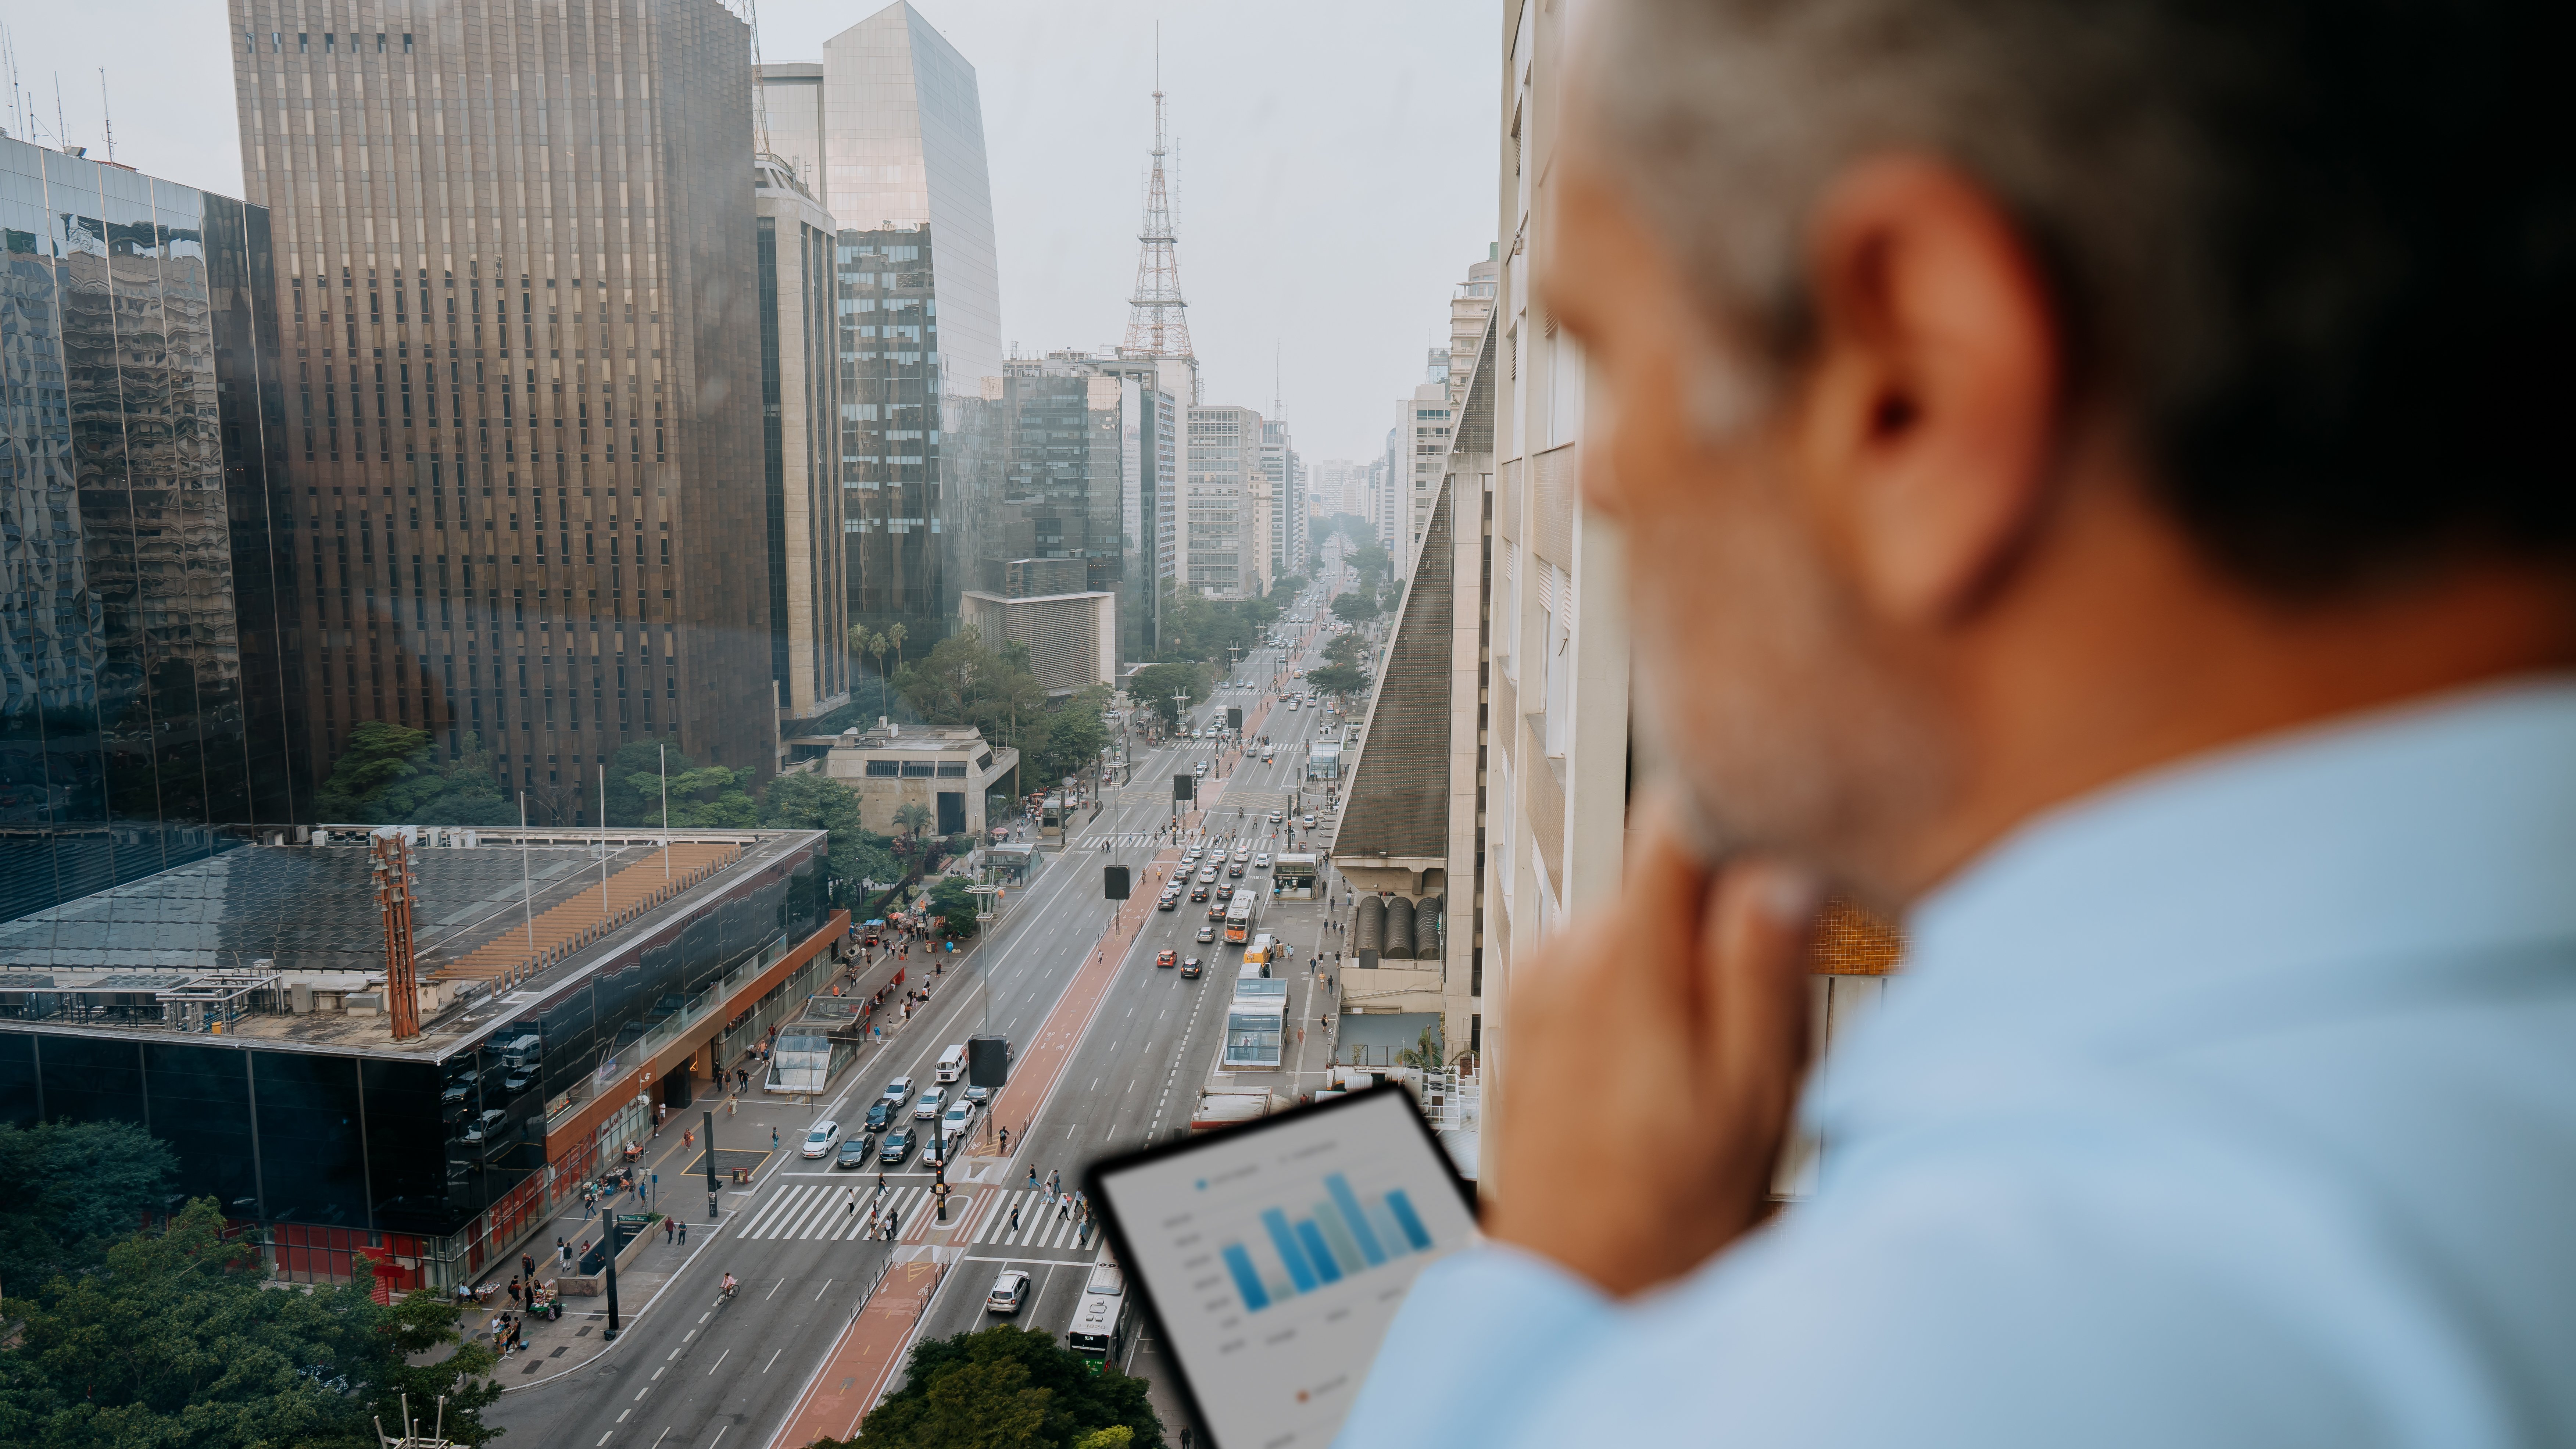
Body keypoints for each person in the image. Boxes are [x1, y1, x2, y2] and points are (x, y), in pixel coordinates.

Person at [1337, 3, 2576, 1448]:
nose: (1604, 479)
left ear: (1913, 386)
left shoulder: (1960, 1355)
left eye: (1612, 359)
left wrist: (1545, 1290)